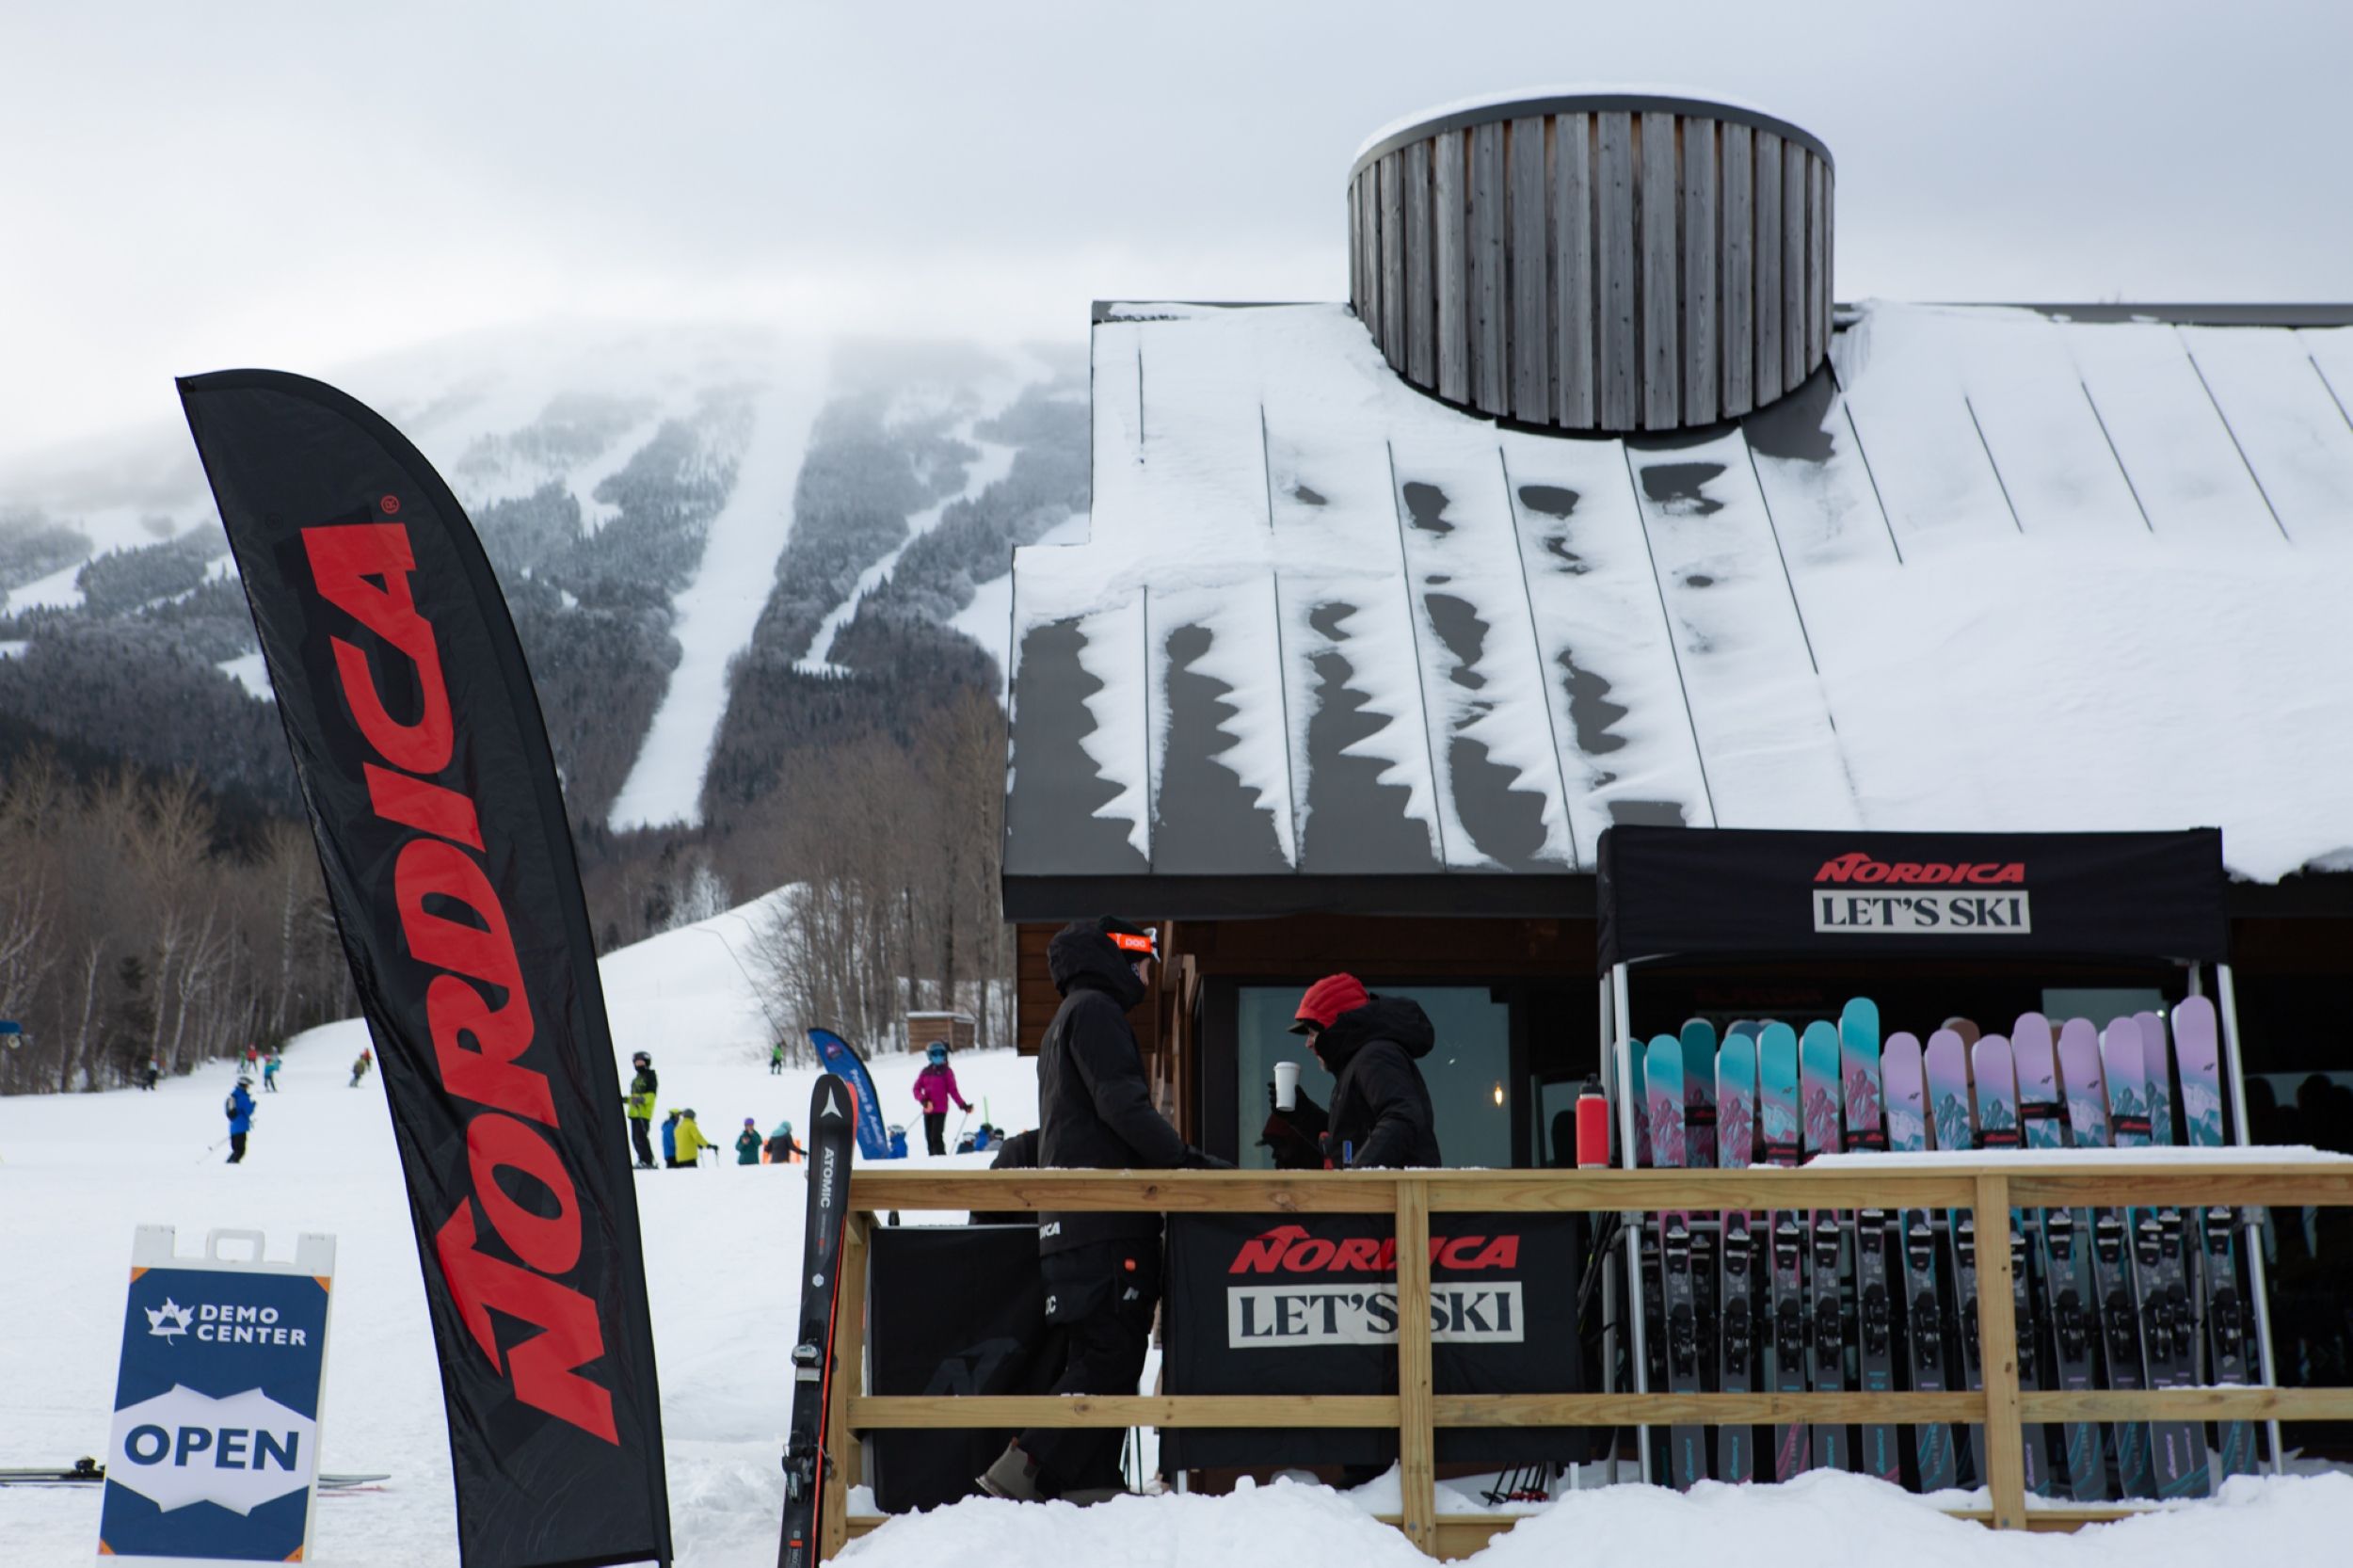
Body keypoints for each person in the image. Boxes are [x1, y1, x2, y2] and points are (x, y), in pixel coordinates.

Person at [979, 917, 1228, 1506]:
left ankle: (1091, 1482)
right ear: (1115, 959)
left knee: (1103, 1353)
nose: (1148, 973)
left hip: (1073, 1226)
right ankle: (1020, 1474)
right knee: (1111, 1356)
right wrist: (1186, 1161)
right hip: (1104, 1225)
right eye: (1143, 961)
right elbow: (1124, 1106)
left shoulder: (1065, 1022)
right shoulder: (1095, 1013)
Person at [1261, 972, 1440, 1170]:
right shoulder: (1359, 1063)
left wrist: (1356, 1177)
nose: (1308, 1044)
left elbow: (1401, 1118)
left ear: (1333, 1028)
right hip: (1381, 1195)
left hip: (1395, 1197)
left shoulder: (1375, 1056)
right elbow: (1345, 1144)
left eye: (1312, 1033)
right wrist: (1301, 1113)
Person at [913, 1040, 972, 1156]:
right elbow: (916, 1089)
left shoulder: (947, 1072)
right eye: (935, 1054)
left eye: (941, 1053)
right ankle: (932, 1162)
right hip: (928, 1109)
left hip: (940, 1110)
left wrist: (963, 1105)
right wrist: (924, 1101)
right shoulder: (925, 1072)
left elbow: (953, 1091)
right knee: (929, 1138)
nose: (938, 1056)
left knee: (936, 1136)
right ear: (930, 1055)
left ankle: (941, 1160)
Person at [625, 1051, 658, 1169]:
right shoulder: (636, 1079)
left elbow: (651, 1095)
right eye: (637, 1062)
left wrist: (641, 1099)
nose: (639, 1064)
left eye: (641, 1062)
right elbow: (634, 1096)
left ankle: (648, 1160)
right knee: (635, 1139)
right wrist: (627, 1100)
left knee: (641, 1137)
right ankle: (641, 1159)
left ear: (647, 1063)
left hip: (643, 1113)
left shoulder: (650, 1076)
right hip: (634, 1112)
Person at [224, 1077, 257, 1163]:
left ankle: (229, 1163)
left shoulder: (233, 1095)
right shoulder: (243, 1097)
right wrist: (253, 1105)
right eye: (248, 1085)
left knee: (236, 1149)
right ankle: (231, 1166)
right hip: (241, 1126)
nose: (248, 1087)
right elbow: (248, 1111)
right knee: (240, 1150)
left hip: (234, 1126)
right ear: (244, 1085)